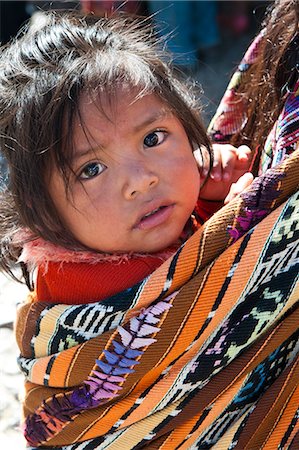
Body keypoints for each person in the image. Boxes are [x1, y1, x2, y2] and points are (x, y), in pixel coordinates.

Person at [0, 10, 254, 447]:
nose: (142, 180)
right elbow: (220, 302)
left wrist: (206, 197)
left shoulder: (121, 230)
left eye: (153, 138)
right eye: (92, 169)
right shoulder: (89, 286)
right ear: (41, 211)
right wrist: (231, 219)